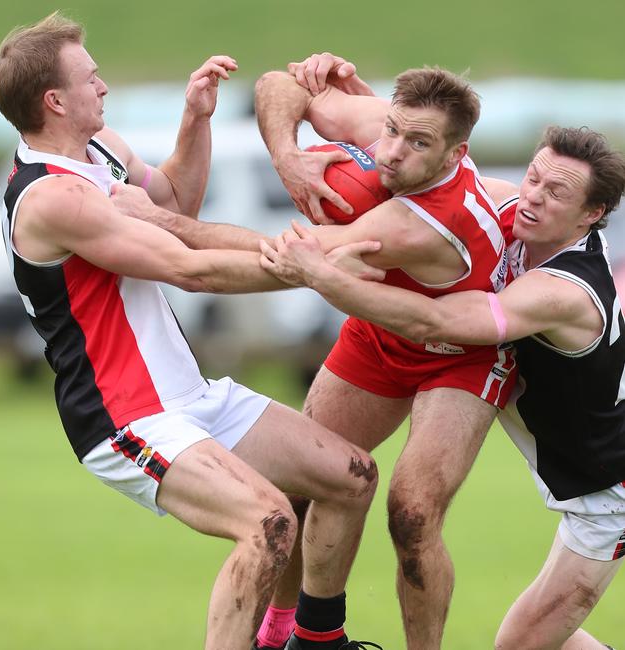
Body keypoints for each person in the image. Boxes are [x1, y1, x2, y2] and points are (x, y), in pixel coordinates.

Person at [0, 15, 382, 650]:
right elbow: (189, 266)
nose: (105, 86)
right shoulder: (52, 200)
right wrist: (317, 270)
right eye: (91, 78)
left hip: (189, 396)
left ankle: (302, 640)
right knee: (268, 522)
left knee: (350, 476)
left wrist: (195, 120)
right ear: (54, 101)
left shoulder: (101, 150)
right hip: (125, 418)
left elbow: (174, 206)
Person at [261, 125, 625, 650]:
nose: (534, 197)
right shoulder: (519, 216)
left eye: (558, 193)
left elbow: (437, 322)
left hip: (605, 501)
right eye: (533, 177)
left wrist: (327, 279)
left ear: (591, 215)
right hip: (586, 482)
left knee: (519, 646)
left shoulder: (565, 291)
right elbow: (427, 155)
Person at [251, 56, 521, 650]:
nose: (392, 151)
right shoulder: (385, 125)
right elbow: (279, 84)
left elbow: (289, 258)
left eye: (416, 141)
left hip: (461, 351)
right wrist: (287, 156)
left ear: (455, 154)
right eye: (392, 130)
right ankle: (297, 638)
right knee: (301, 485)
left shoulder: (427, 222)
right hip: (380, 332)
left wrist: (166, 230)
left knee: (413, 515)